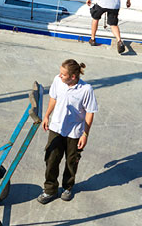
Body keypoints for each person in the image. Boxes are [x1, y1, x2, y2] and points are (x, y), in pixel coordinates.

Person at [38, 59, 98, 204]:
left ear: (73, 76)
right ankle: (50, 189)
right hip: (57, 128)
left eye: (63, 74)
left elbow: (90, 112)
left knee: (72, 161)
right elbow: (54, 98)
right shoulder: (58, 81)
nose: (59, 76)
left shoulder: (86, 90)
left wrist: (85, 134)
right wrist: (47, 116)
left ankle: (67, 187)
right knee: (51, 159)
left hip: (75, 132)